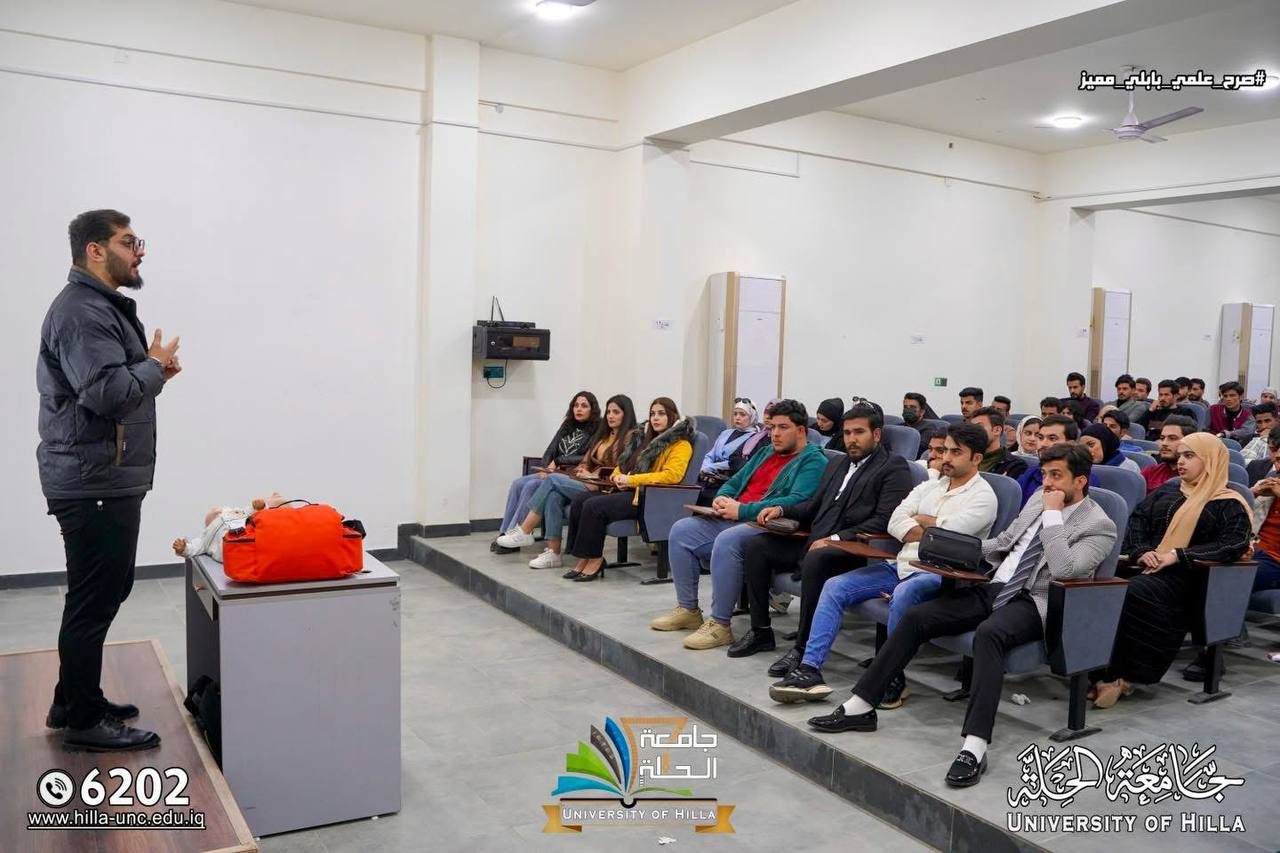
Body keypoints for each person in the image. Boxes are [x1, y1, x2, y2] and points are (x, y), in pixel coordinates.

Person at [807, 443, 1115, 790]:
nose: (1047, 483)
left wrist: (1054, 515)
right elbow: (1005, 541)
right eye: (1044, 474)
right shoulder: (1037, 499)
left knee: (989, 634)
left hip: (1037, 600)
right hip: (994, 585)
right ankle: (861, 705)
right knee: (917, 617)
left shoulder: (1099, 525)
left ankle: (975, 746)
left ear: (1080, 481)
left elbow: (1064, 569)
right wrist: (953, 547)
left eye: (1056, 476)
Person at [38, 209, 181, 752]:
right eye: (128, 241)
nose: (138, 251)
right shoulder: (82, 312)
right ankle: (82, 720)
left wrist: (152, 373)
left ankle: (73, 700)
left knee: (102, 592)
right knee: (94, 599)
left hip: (102, 476)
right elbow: (107, 394)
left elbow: (116, 386)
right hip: (92, 480)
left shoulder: (96, 307)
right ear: (95, 250)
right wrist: (152, 366)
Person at [768, 423, 998, 707]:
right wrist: (927, 526)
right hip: (900, 565)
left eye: (956, 452)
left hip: (941, 574)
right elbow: (894, 521)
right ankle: (809, 669)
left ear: (977, 458)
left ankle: (892, 678)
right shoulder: (931, 485)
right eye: (945, 450)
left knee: (905, 592)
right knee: (835, 586)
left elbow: (946, 539)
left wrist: (920, 522)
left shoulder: (983, 497)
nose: (946, 458)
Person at [730, 405, 914, 660]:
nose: (851, 439)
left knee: (818, 558)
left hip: (854, 550)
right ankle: (760, 631)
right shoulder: (839, 462)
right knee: (757, 546)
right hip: (816, 540)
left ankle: (802, 648)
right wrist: (782, 509)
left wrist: (836, 539)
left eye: (859, 432)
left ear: (876, 435)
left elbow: (884, 520)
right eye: (847, 433)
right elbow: (813, 505)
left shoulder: (893, 467)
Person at [1091, 433, 1251, 709]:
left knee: (1135, 592)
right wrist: (1143, 551)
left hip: (1192, 578)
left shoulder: (1228, 502)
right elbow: (1137, 522)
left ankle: (1124, 676)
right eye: (1180, 456)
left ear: (1210, 461)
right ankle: (1096, 672)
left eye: (1189, 456)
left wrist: (1177, 556)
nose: (1181, 462)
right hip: (1148, 567)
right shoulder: (1168, 491)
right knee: (1102, 588)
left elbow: (1232, 544)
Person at [652, 400, 827, 649]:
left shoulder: (813, 460)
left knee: (728, 540)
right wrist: (723, 497)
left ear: (801, 431)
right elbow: (735, 481)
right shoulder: (766, 452)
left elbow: (797, 500)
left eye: (783, 428)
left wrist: (742, 510)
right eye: (772, 428)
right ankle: (688, 610)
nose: (775, 434)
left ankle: (720, 625)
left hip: (766, 526)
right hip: (736, 517)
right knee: (681, 530)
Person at [561, 398, 697, 581]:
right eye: (652, 414)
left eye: (661, 414)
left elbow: (672, 476)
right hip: (626, 490)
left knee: (593, 506)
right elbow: (622, 465)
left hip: (648, 498)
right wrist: (617, 477)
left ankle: (595, 559)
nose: (655, 418)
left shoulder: (681, 444)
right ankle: (583, 557)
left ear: (672, 416)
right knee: (580, 500)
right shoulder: (643, 439)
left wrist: (631, 480)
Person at [495, 395, 636, 567]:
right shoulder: (604, 435)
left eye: (616, 412)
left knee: (552, 480)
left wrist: (595, 475)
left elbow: (624, 468)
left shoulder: (631, 438)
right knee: (553, 496)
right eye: (609, 412)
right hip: (588, 481)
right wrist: (583, 469)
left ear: (626, 414)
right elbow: (586, 459)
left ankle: (525, 530)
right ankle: (553, 553)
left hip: (606, 487)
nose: (610, 416)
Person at [494, 391, 601, 552]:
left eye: (584, 406)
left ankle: (518, 534)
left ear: (592, 409)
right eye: (576, 405)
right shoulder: (567, 424)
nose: (579, 409)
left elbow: (587, 457)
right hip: (552, 470)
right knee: (517, 483)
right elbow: (551, 449)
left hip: (571, 474)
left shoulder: (598, 428)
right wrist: (545, 468)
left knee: (531, 485)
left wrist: (558, 461)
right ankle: (505, 532)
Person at [1015, 415, 1095, 506]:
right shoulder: (1030, 472)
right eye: (1040, 438)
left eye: (1052, 438)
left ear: (1071, 443)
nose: (1043, 444)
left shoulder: (1084, 479)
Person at [695, 398, 762, 503]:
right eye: (735, 414)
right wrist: (705, 466)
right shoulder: (726, 433)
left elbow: (735, 462)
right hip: (709, 477)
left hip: (727, 479)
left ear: (752, 417)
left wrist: (712, 467)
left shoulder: (754, 438)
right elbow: (711, 454)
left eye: (742, 415)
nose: (737, 418)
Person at [1141, 416, 1197, 494]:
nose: (1164, 443)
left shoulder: (1198, 477)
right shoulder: (1150, 473)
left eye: (1172, 438)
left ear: (1190, 442)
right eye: (1162, 438)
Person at [969, 407, 1027, 478]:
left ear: (997, 430)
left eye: (979, 427)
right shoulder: (966, 459)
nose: (973, 432)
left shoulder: (1015, 466)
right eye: (972, 428)